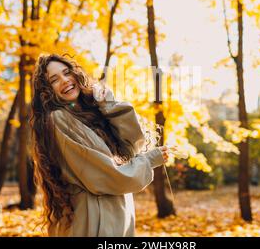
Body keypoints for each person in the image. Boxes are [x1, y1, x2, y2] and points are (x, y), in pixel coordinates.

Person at [30, 53, 170, 237]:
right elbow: (106, 174)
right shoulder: (59, 119)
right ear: (46, 91)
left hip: (117, 213)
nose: (65, 80)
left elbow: (132, 146)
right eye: (54, 80)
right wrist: (149, 160)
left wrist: (108, 105)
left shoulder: (91, 111)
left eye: (67, 72)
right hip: (93, 219)